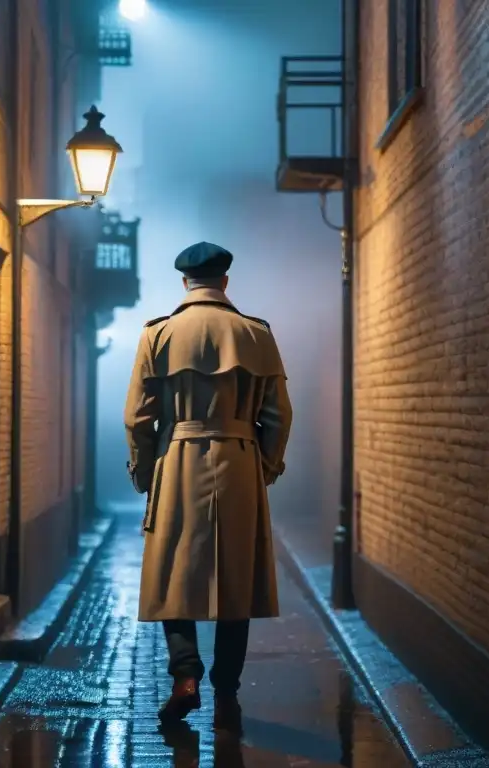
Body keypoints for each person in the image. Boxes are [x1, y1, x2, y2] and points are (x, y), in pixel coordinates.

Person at [123, 241, 293, 734]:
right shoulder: (257, 334)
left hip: (177, 460)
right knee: (235, 577)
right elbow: (279, 415)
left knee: (173, 568)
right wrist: (265, 467)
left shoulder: (158, 334)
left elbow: (138, 417)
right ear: (224, 281)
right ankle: (227, 692)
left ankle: (185, 677)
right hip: (240, 464)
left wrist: (144, 472)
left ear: (185, 283)